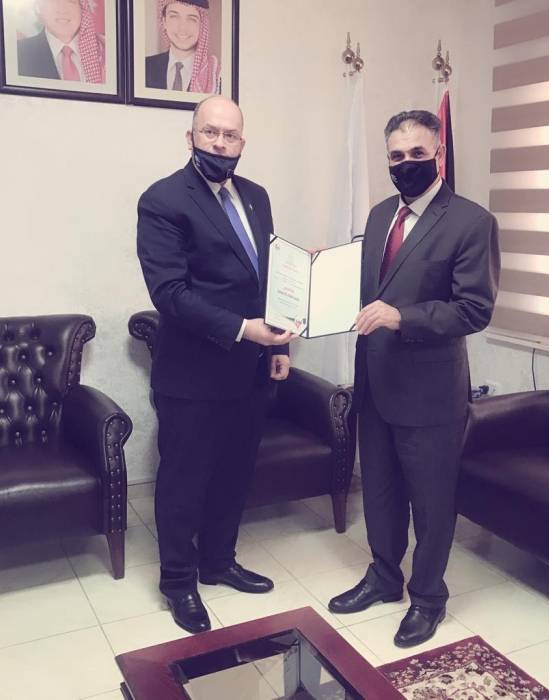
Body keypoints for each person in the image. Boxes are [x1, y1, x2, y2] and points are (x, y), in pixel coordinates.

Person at [329, 110, 500, 648]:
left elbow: (473, 309)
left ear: (439, 155)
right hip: (375, 383)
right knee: (379, 494)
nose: (406, 164)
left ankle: (428, 597)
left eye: (418, 154)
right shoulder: (382, 214)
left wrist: (402, 317)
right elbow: (369, 288)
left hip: (429, 393)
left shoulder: (471, 222)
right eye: (396, 156)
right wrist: (320, 278)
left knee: (430, 502)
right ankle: (384, 577)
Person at [137, 95, 292, 633]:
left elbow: (267, 279)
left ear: (242, 143)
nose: (220, 144)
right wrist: (243, 329)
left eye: (230, 136)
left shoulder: (257, 197)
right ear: (191, 137)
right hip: (192, 375)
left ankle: (219, 562)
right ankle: (178, 582)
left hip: (249, 371)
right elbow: (170, 292)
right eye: (210, 133)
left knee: (235, 472)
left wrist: (277, 347)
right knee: (184, 481)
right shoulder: (163, 200)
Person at [17, 0, 105, 82]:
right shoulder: (19, 53)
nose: (63, 10)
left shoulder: (105, 51)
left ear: (83, 8)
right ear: (40, 7)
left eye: (70, 1)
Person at [145, 0, 220, 93]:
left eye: (192, 19)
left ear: (202, 25)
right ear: (164, 22)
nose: (182, 28)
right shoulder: (144, 68)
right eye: (174, 17)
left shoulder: (215, 75)